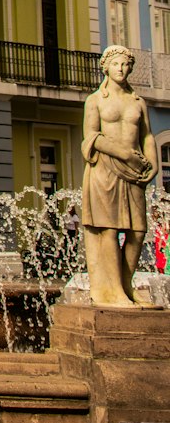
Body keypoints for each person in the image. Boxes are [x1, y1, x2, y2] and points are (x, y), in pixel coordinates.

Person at [82, 45, 157, 306]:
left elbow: (147, 135)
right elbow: (90, 137)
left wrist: (154, 164)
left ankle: (126, 285)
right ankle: (112, 291)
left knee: (138, 231)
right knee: (110, 230)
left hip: (135, 172)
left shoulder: (138, 102)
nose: (121, 69)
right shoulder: (95, 100)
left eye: (125, 65)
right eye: (116, 64)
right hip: (105, 169)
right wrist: (123, 153)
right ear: (106, 67)